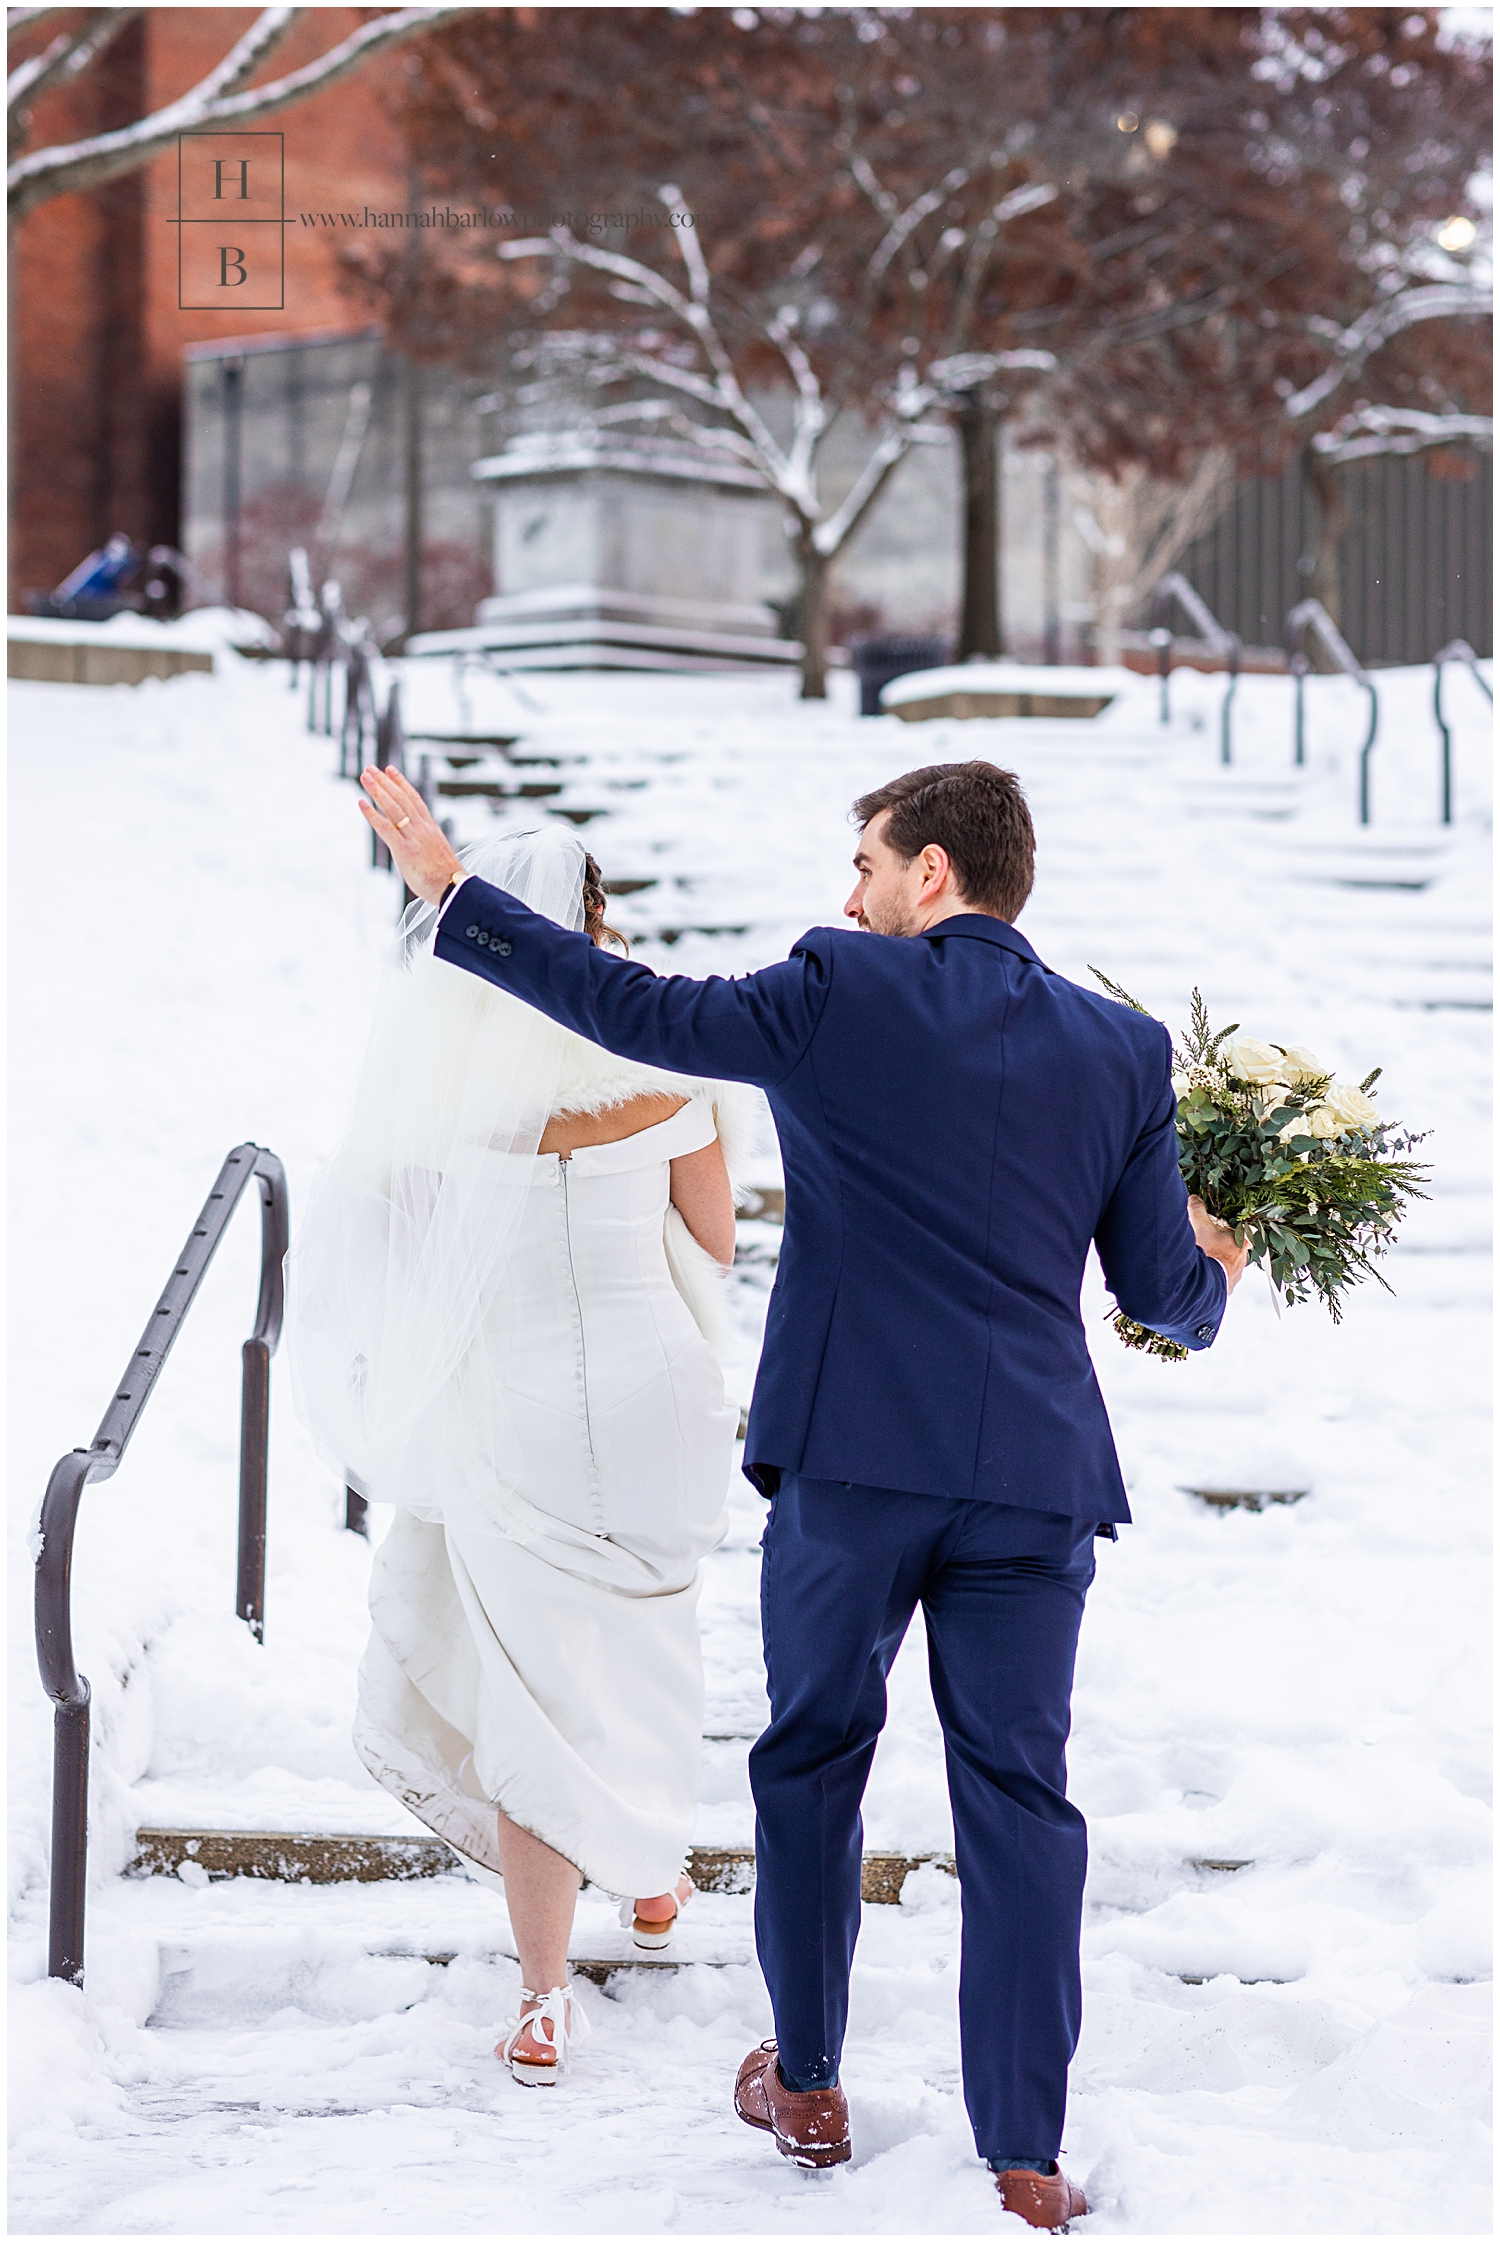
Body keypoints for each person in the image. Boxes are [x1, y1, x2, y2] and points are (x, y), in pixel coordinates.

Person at [356, 757, 1248, 2227]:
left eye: (869, 865)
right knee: (1023, 1800)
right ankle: (1025, 2152)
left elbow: (634, 1013)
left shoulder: (839, 987)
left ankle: (813, 2077)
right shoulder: (1123, 1048)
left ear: (935, 874)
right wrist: (1222, 1248)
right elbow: (1168, 1297)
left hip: (852, 1464)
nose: (850, 895)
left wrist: (458, 898)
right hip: (1032, 1482)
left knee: (815, 1758)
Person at [286, 826, 759, 2086]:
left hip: (514, 1403)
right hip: (656, 1393)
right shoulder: (658, 1051)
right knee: (650, 1645)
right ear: (591, 923)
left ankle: (546, 1995)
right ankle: (652, 1881)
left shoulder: (437, 1081)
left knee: (528, 1683)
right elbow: (710, 1237)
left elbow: (385, 1250)